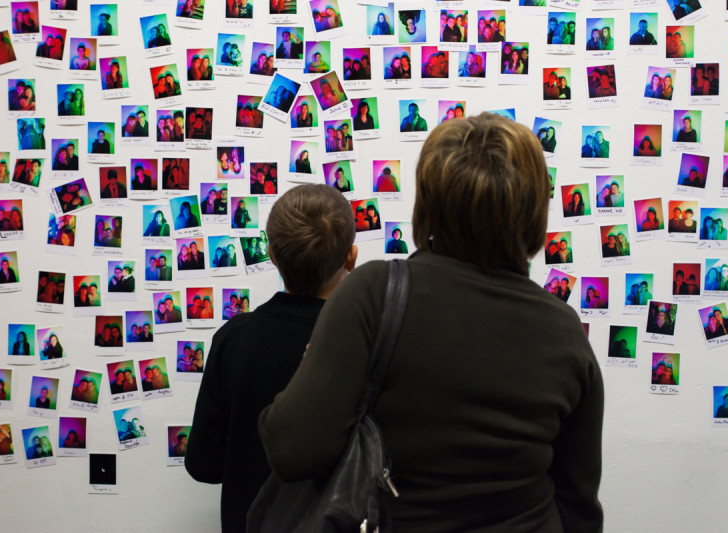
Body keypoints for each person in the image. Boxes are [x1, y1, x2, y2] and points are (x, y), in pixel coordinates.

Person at [256, 113, 603, 531]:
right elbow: (579, 506)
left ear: (430, 202)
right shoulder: (565, 329)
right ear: (533, 209)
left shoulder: (375, 291)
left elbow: (293, 451)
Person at [186, 184, 359, 533]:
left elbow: (203, 463)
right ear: (351, 258)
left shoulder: (234, 338)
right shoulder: (362, 344)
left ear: (271, 255)